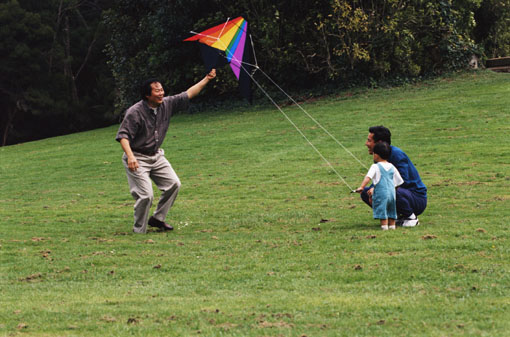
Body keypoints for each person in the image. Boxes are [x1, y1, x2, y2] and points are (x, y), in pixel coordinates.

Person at [116, 69, 216, 233]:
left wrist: (207, 79)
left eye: (161, 90)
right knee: (146, 195)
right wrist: (130, 157)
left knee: (173, 184)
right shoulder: (135, 112)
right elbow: (123, 136)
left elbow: (188, 94)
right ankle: (139, 230)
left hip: (156, 155)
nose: (161, 93)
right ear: (147, 95)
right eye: (157, 91)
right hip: (137, 157)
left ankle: (157, 219)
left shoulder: (166, 104)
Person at [360, 126, 427, 227]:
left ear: (379, 142)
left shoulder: (397, 155)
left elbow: (402, 182)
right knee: (365, 192)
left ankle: (411, 217)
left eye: (369, 140)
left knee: (388, 190)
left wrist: (377, 189)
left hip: (416, 198)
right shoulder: (379, 156)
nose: (366, 144)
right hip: (402, 193)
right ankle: (395, 217)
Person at [355, 142, 403, 230]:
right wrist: (394, 190)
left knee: (382, 209)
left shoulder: (375, 166)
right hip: (392, 194)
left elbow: (368, 177)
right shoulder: (392, 166)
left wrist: (362, 187)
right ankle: (392, 226)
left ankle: (384, 227)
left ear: (376, 155)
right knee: (392, 209)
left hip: (381, 194)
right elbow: (399, 181)